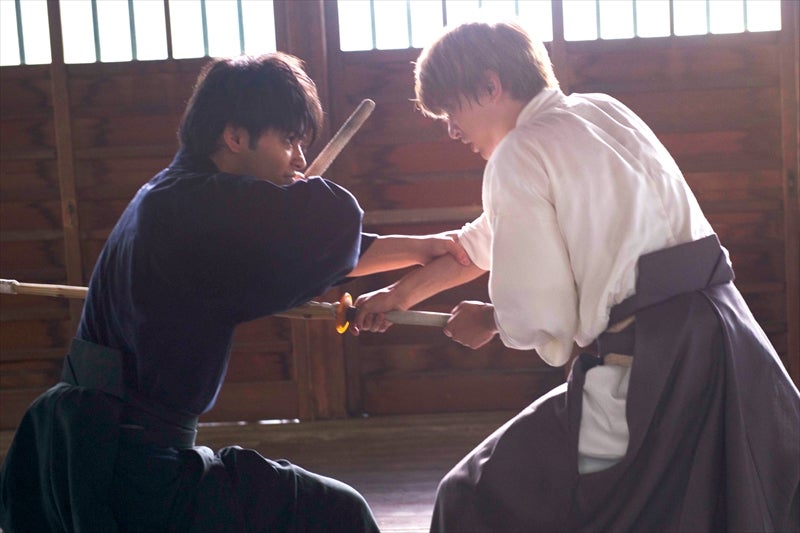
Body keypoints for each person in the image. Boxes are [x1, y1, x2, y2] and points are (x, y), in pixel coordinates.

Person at [351, 20, 800, 532]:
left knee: (472, 495)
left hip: (646, 371)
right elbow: (485, 241)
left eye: (452, 112)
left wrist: (492, 321)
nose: (452, 131)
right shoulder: (603, 111)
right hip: (731, 344)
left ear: (491, 86)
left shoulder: (518, 155)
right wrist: (399, 295)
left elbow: (543, 315)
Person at [0, 52, 470, 532]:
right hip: (130, 470)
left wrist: (420, 249)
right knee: (336, 513)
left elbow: (300, 248)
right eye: (288, 141)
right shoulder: (196, 205)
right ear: (235, 137)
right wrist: (309, 196)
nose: (300, 160)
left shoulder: (172, 196)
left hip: (81, 446)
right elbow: (316, 229)